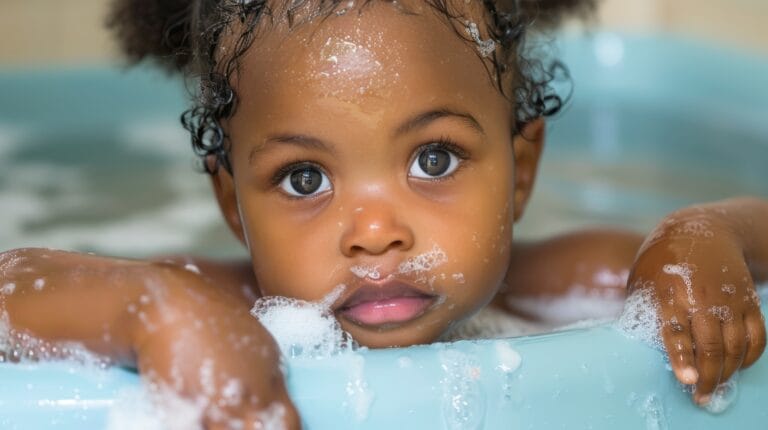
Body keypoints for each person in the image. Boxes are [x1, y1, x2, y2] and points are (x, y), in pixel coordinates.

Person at [1, 0, 767, 427]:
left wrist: (706, 235)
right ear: (232, 204)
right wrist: (153, 308)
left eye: (434, 159)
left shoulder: (550, 284)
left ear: (520, 170)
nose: (374, 233)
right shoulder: (225, 310)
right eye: (304, 178)